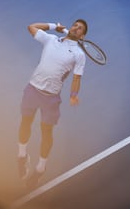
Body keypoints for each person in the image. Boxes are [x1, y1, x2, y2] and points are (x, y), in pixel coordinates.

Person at [17, 19, 88, 189]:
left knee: (46, 132)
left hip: (51, 98)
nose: (76, 28)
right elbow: (30, 26)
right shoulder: (51, 39)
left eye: (80, 29)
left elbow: (77, 78)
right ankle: (21, 156)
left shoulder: (79, 54)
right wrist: (54, 27)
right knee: (25, 122)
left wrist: (73, 95)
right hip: (33, 89)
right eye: (75, 25)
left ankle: (40, 168)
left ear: (82, 35)